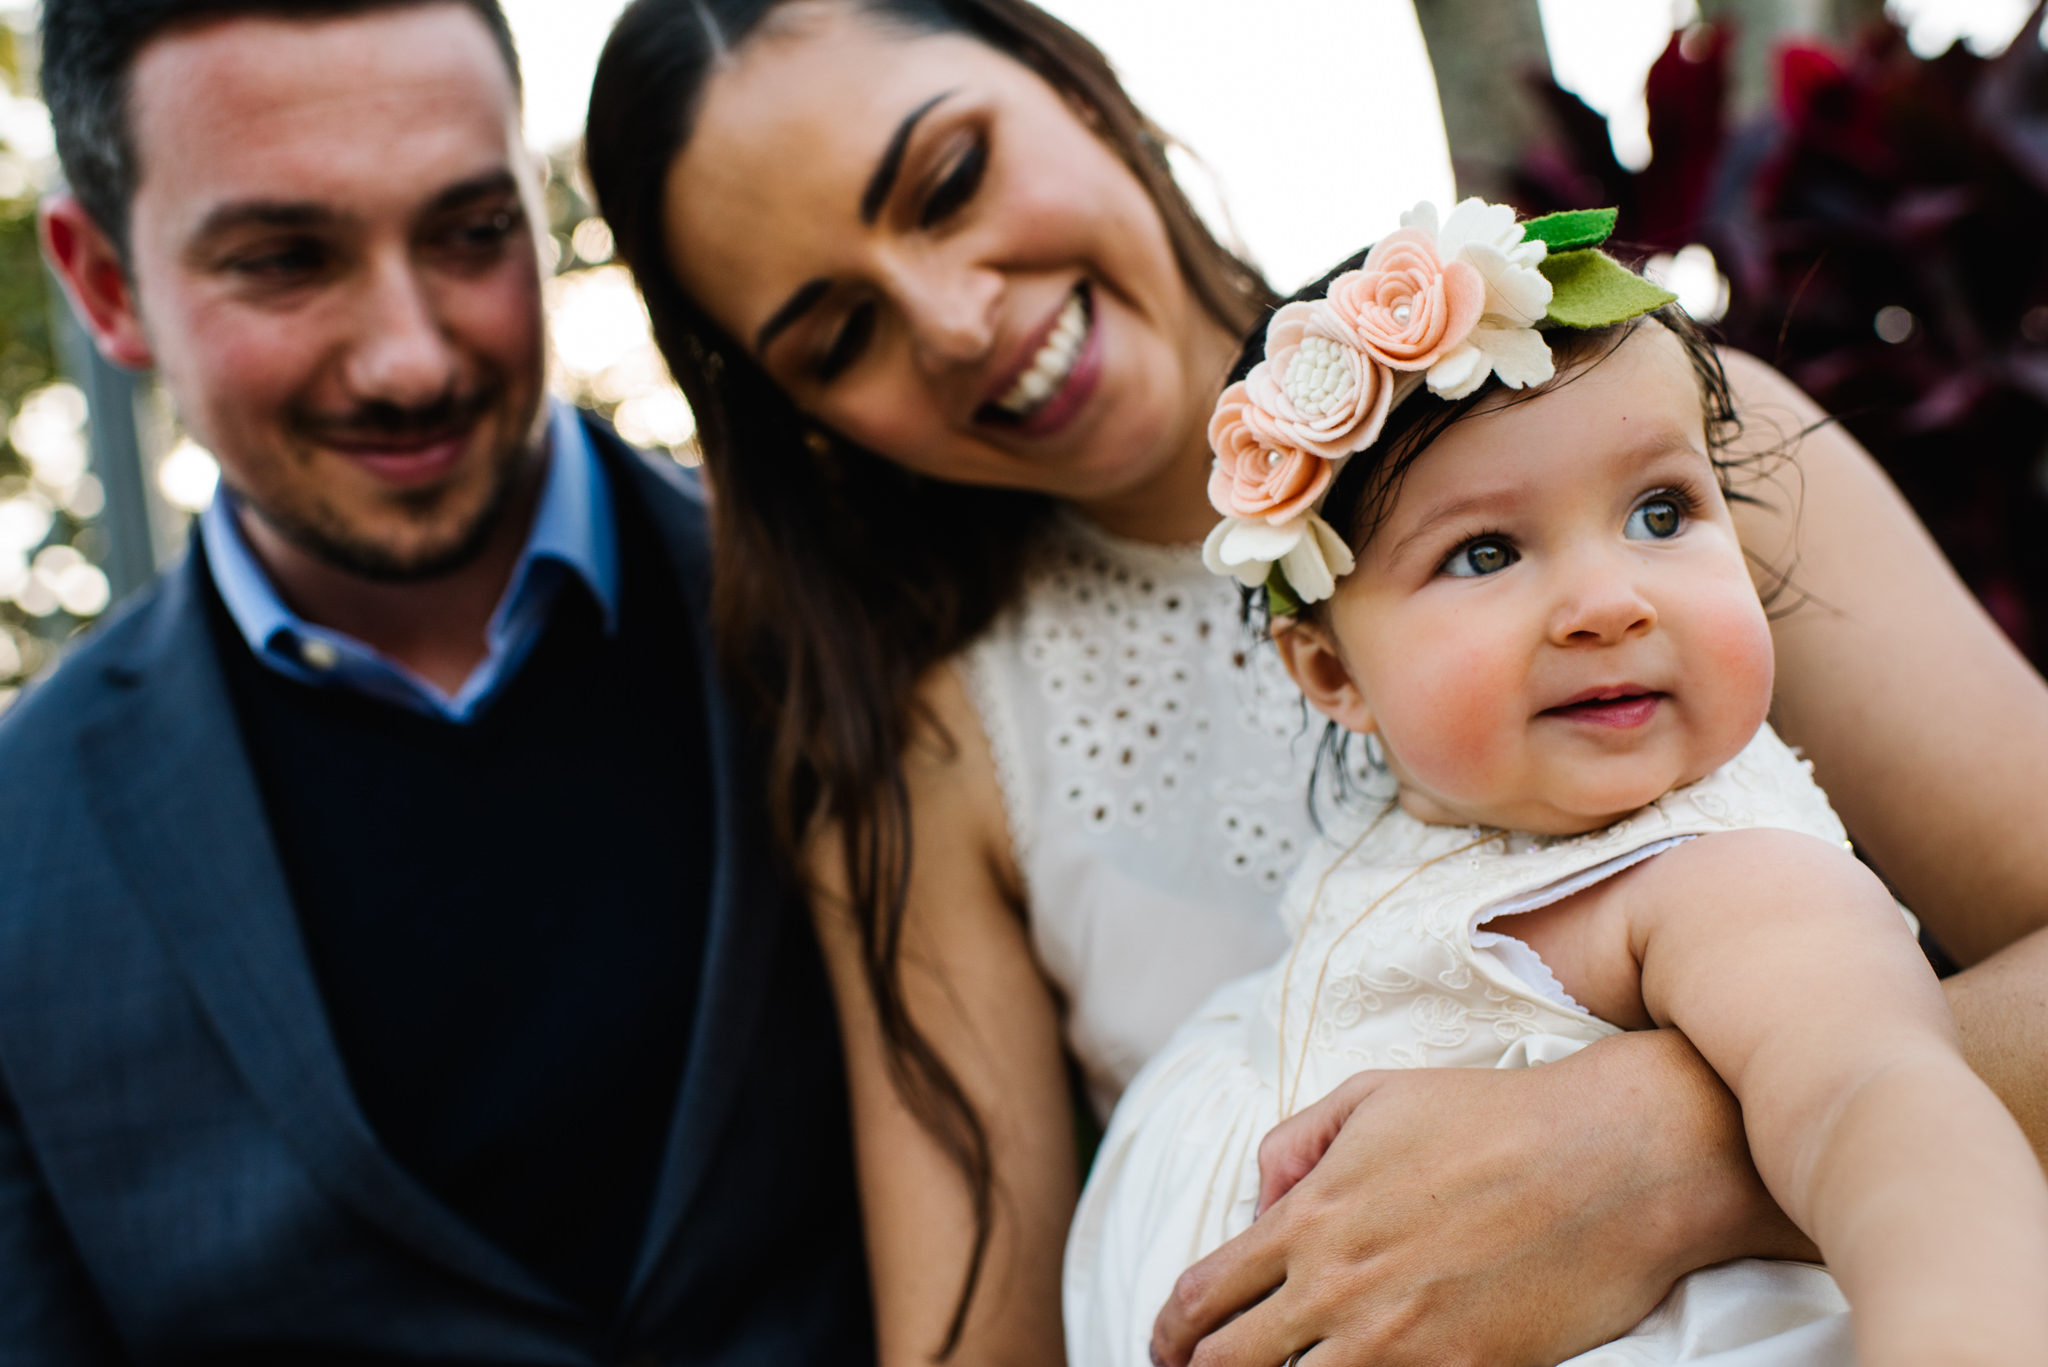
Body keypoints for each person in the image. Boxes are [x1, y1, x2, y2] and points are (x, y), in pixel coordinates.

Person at [586, 1, 2048, 1363]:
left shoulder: (1641, 462)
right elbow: (973, 1333)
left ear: (1077, 92)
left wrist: (1659, 1156)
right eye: (838, 334)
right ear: (1324, 668)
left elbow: (1879, 1093)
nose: (956, 317)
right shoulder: (940, 740)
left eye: (952, 177)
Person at [0, 0, 869, 1360]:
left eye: (472, 233)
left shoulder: (864, 602)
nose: (410, 355)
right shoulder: (19, 844)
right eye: (286, 260)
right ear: (104, 281)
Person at [1065, 205, 2048, 1367]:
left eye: (1660, 512)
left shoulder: (1721, 880)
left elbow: (1883, 1113)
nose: (1607, 599)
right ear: (1332, 671)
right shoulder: (1419, 851)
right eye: (1485, 552)